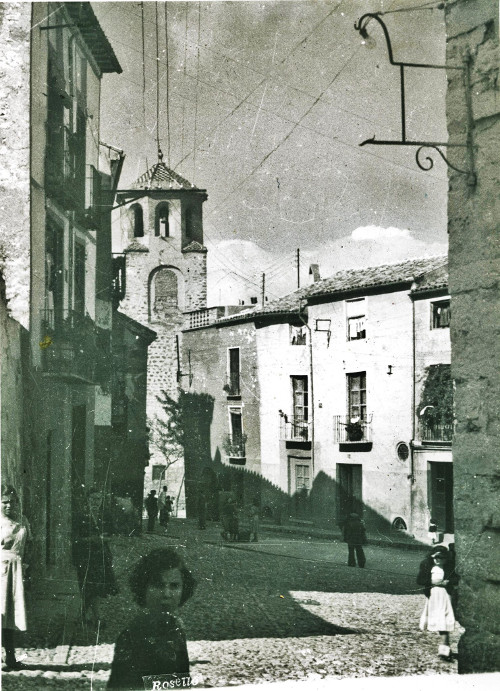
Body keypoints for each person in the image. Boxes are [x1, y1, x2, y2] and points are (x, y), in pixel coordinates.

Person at [107, 548, 195, 689]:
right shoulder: (133, 635)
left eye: (174, 586)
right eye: (159, 585)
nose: (166, 594)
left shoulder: (175, 628)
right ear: (143, 588)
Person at [72, 495, 119, 628]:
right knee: (87, 586)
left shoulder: (106, 516)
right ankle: (93, 617)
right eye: (92, 499)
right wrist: (90, 539)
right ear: (87, 499)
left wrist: (104, 539)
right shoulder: (80, 516)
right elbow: (75, 538)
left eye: (98, 499)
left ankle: (87, 617)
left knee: (97, 586)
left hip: (101, 556)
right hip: (84, 556)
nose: (95, 502)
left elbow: (112, 535)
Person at [1, 484, 31, 670]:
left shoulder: (23, 521)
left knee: (10, 617)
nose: (9, 506)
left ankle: (10, 658)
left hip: (17, 572)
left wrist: (27, 567)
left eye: (12, 502)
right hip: (1, 573)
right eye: (4, 502)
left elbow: (31, 545)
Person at [417, 545, 459, 660]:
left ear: (446, 558)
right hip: (434, 597)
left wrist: (448, 582)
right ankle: (445, 648)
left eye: (441, 557)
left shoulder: (449, 568)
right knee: (441, 621)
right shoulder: (428, 566)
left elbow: (457, 578)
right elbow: (420, 580)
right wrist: (432, 582)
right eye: (435, 557)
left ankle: (444, 649)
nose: (438, 560)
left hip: (446, 596)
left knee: (444, 620)